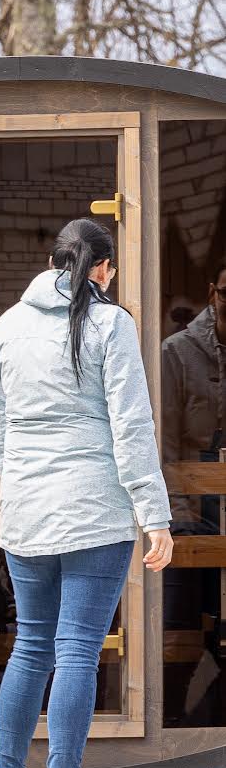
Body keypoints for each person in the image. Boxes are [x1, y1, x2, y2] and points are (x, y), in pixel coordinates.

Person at [0, 218, 173, 768]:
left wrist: (19, 490)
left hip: (26, 513)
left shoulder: (7, 326)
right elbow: (131, 425)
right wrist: (156, 515)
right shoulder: (111, 324)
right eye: (110, 269)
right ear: (101, 268)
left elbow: (1, 432)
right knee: (77, 651)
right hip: (94, 510)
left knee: (30, 646)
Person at [159, 259, 225, 725]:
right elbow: (161, 444)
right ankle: (168, 738)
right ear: (212, 293)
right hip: (185, 514)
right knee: (175, 643)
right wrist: (177, 520)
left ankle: (205, 735)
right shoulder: (177, 353)